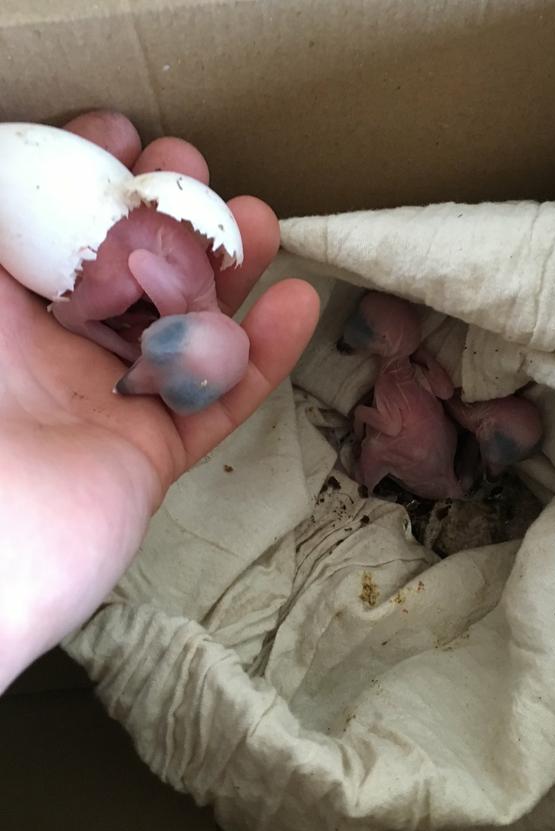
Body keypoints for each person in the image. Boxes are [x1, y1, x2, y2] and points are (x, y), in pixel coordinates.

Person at [0, 111, 319, 693]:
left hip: (111, 242)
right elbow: (143, 265)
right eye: (154, 365)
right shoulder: (177, 290)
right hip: (98, 238)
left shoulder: (192, 293)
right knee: (105, 294)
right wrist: (99, 332)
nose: (136, 378)